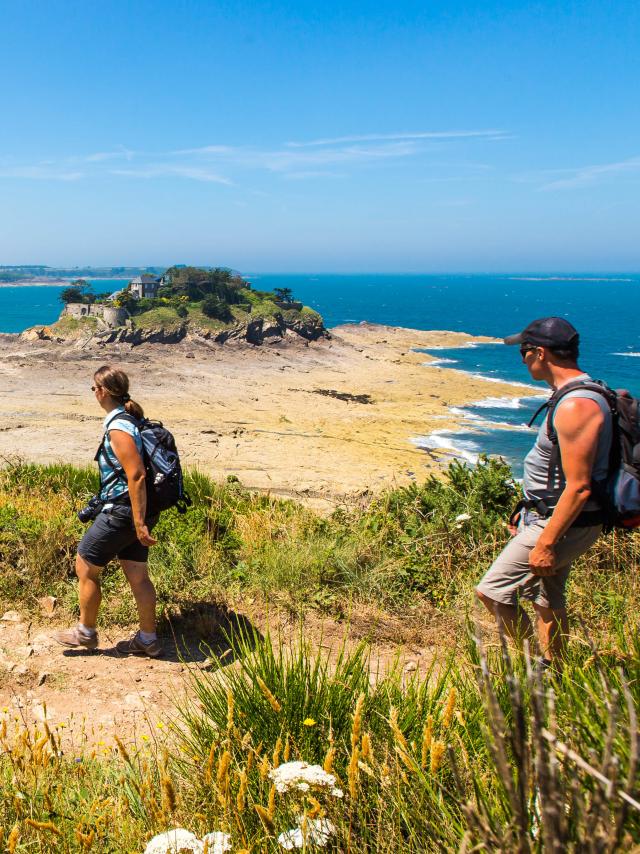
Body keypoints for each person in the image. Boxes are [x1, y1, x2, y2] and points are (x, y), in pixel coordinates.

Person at [475, 317, 611, 666]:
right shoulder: (575, 395)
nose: (522, 360)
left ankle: (534, 663)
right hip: (548, 516)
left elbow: (579, 487)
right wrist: (529, 509)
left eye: (524, 352)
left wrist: (546, 542)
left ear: (539, 353)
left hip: (562, 524)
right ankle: (560, 673)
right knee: (546, 600)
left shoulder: (576, 405)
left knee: (493, 591)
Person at [54, 366, 162, 658]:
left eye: (94, 388)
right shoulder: (132, 420)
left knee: (85, 565)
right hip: (138, 510)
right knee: (137, 575)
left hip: (123, 511)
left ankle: (85, 632)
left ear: (102, 391)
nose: (94, 393)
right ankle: (148, 639)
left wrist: (138, 523)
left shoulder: (118, 427)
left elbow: (136, 474)